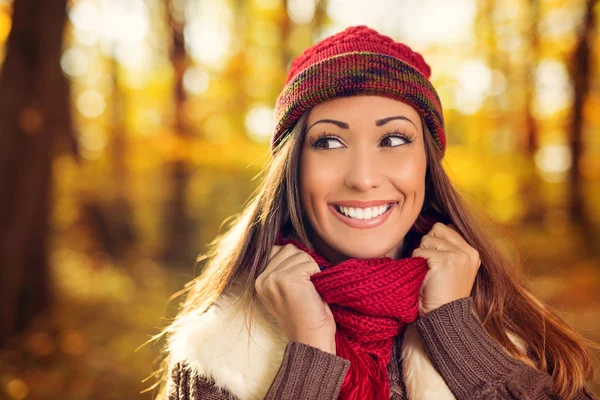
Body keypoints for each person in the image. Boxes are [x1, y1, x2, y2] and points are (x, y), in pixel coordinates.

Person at [157, 26, 598, 400]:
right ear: (292, 169)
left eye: (393, 140)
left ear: (427, 161)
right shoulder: (219, 351)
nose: (364, 178)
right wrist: (309, 356)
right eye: (329, 142)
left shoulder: (504, 319)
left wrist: (457, 333)